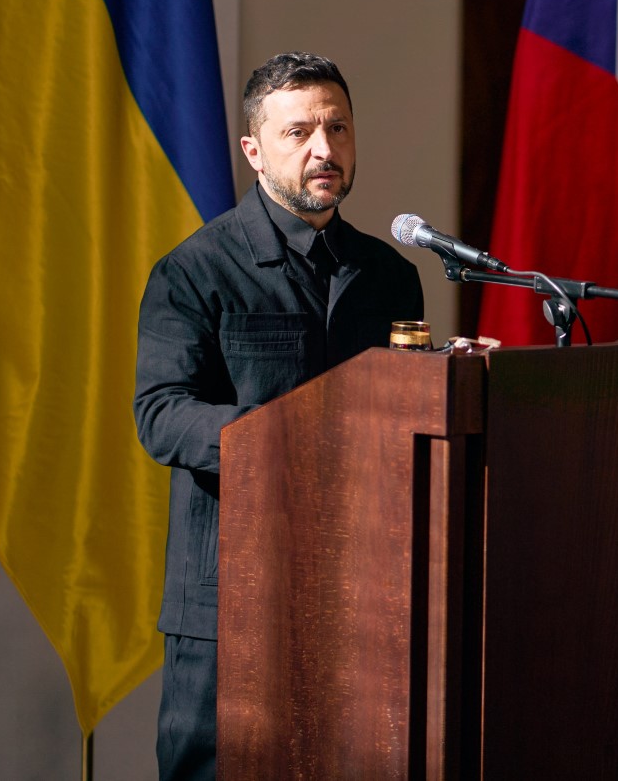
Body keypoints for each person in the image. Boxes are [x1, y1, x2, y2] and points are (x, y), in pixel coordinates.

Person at [134, 52, 424, 781]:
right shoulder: (195, 271)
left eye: (338, 128)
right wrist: (283, 437)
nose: (324, 148)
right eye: (299, 132)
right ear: (254, 151)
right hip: (231, 594)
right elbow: (161, 414)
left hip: (362, 587)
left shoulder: (390, 275)